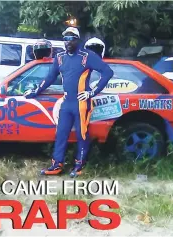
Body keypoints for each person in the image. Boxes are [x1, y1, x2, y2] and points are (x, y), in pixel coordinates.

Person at [24, 27, 114, 177]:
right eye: (65, 39)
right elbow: (50, 78)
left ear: (77, 40)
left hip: (81, 103)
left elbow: (107, 72)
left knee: (82, 134)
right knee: (61, 133)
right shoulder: (60, 58)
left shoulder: (87, 56)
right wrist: (35, 92)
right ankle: (56, 165)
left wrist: (92, 92)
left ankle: (79, 166)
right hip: (67, 102)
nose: (68, 41)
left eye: (71, 38)